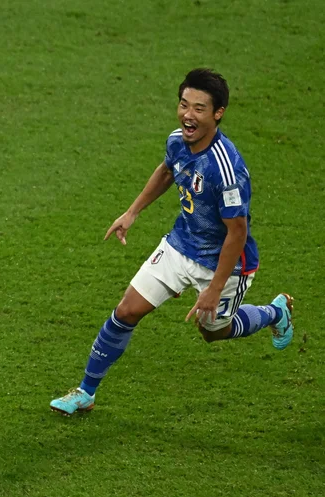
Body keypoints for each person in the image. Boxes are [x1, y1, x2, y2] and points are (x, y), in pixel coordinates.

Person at [50, 68, 294, 415]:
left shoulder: (225, 171)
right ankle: (86, 392)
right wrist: (132, 213)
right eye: (183, 104)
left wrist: (214, 288)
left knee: (213, 332)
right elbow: (167, 170)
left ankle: (274, 312)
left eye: (198, 108)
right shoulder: (177, 140)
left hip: (224, 263)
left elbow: (237, 233)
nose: (187, 115)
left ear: (218, 113)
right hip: (181, 245)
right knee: (126, 310)